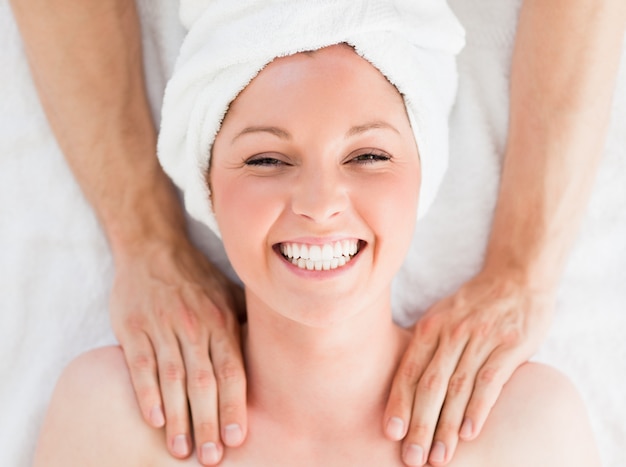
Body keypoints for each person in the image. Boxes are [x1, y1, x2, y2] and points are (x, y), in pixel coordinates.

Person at [10, 1, 626, 466]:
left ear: (422, 178)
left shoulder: (528, 428)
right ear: (206, 189)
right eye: (266, 161)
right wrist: (144, 242)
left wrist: (523, 269)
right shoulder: (114, 417)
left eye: (368, 157)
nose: (320, 205)